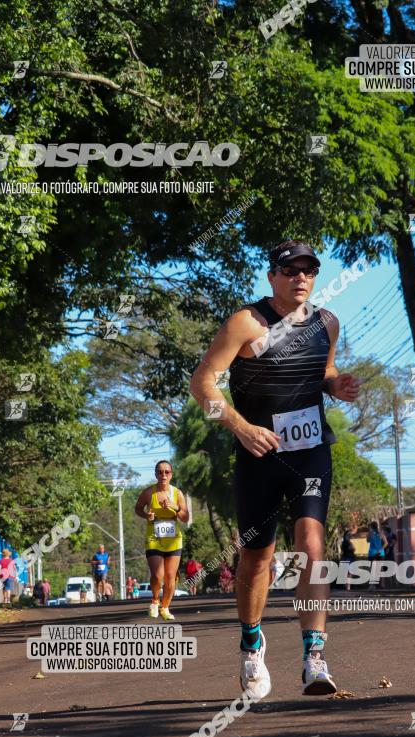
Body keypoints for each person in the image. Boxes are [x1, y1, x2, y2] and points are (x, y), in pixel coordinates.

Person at [190, 239, 360, 697]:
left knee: (311, 544)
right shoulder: (246, 322)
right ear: (273, 277)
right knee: (257, 557)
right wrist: (240, 427)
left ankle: (314, 657)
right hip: (258, 453)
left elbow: (322, 372)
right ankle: (251, 644)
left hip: (309, 451)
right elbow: (202, 381)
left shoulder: (327, 323)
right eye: (291, 270)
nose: (301, 278)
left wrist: (335, 384)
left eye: (309, 270)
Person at [134, 460, 188, 621]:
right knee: (158, 575)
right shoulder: (148, 493)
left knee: (170, 577)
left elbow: (186, 517)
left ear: (171, 474)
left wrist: (175, 507)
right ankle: (155, 600)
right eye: (160, 472)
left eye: (167, 472)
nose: (163, 475)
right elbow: (138, 508)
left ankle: (165, 607)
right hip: (154, 538)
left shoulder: (177, 493)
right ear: (155, 474)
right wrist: (146, 515)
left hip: (173, 540)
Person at [340, 522, 358, 591]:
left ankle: (346, 584)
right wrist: (353, 548)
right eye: (356, 529)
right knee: (350, 571)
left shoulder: (346, 536)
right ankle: (348, 585)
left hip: (345, 555)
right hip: (349, 555)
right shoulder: (348, 537)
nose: (356, 531)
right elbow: (352, 548)